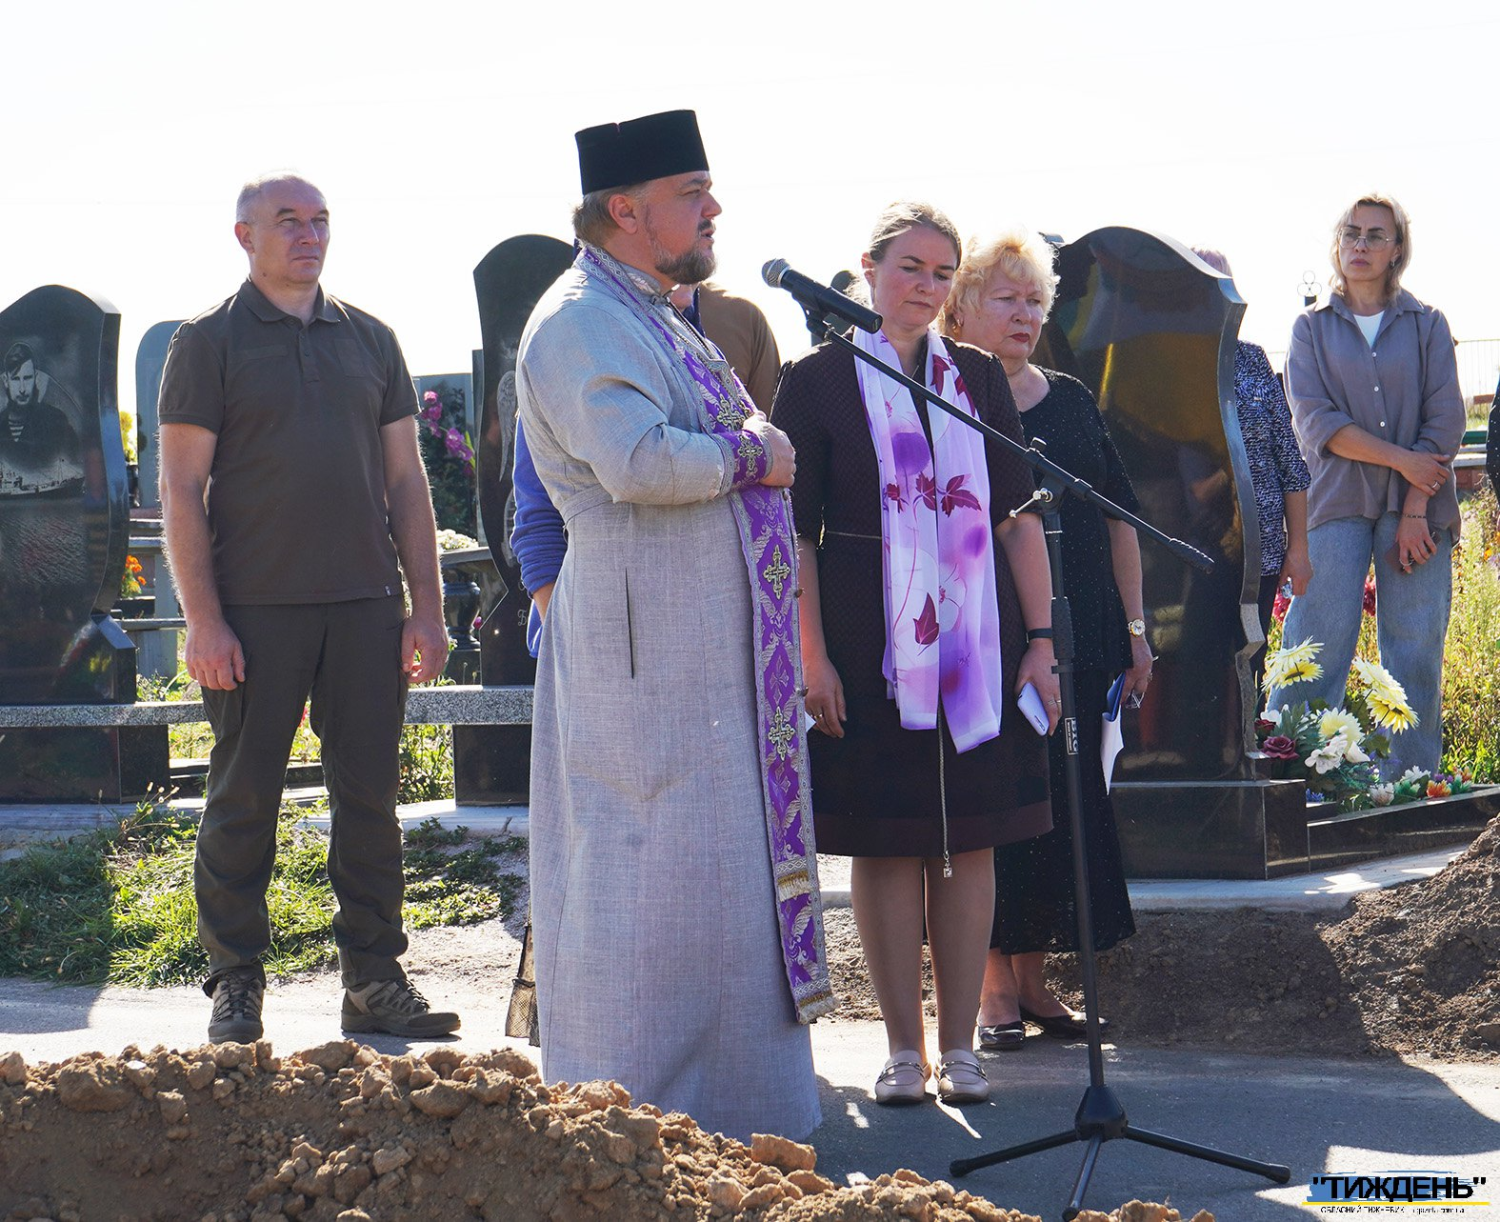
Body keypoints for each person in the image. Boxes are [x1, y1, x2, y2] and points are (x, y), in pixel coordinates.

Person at [516, 109, 833, 1143]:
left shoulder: (653, 311)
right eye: (692, 192)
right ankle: (624, 1132)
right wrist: (757, 456)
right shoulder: (578, 320)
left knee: (719, 890)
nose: (714, 207)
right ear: (625, 208)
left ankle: (735, 1125)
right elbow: (639, 462)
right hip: (639, 654)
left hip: (704, 657)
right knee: (643, 886)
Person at [158, 172, 459, 1044]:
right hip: (255, 612)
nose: (308, 235)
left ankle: (374, 979)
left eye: (320, 220)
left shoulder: (371, 338)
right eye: (287, 220)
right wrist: (204, 621)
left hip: (366, 608)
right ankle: (235, 982)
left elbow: (407, 483)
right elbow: (181, 489)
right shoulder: (207, 341)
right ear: (244, 236)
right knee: (244, 799)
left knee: (369, 801)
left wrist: (426, 608)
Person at [773, 203, 1057, 1107]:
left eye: (942, 273)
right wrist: (812, 656)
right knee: (889, 845)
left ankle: (962, 1048)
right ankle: (904, 1050)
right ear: (868, 267)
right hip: (865, 635)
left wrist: (1042, 642)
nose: (926, 287)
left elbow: (1016, 517)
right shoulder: (816, 379)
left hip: (977, 640)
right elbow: (795, 534)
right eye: (910, 267)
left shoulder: (975, 375)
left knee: (968, 841)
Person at [940, 228, 1150, 1051]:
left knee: (1062, 806)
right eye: (1007, 298)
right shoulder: (943, 393)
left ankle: (1032, 980)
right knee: (1001, 801)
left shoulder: (1068, 399)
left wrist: (1135, 632)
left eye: (1036, 300)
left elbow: (1120, 518)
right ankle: (991, 985)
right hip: (987, 633)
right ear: (961, 308)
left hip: (1082, 627)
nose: (1026, 314)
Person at [1269, 194, 1465, 773]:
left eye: (1376, 235)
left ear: (1397, 249)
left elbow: (1446, 421)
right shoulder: (1309, 329)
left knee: (1414, 653)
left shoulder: (1428, 324)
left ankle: (1408, 783)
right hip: (1336, 503)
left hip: (1420, 510)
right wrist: (1405, 462)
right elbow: (1317, 424)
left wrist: (1413, 506)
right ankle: (1295, 777)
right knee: (1314, 647)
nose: (1361, 244)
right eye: (1352, 232)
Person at [511, 280, 782, 656]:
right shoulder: (573, 350)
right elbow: (537, 519)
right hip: (606, 649)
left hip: (718, 641)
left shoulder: (719, 349)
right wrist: (570, 644)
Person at [1192, 249, 1313, 690]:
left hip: (1260, 554)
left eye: (1220, 286)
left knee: (1251, 659)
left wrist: (1298, 549)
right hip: (1193, 552)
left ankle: (1249, 733)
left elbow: (1291, 463)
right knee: (1200, 665)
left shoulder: (1253, 360)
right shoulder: (1173, 366)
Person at [0, 343, 80, 473]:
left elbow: (77, 467)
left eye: (27, 378)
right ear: (5, 380)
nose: (22, 389)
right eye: (15, 379)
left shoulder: (56, 421)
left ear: (36, 378)